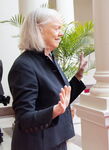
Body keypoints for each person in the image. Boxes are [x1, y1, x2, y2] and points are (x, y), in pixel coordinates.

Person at [8, 8, 87, 150]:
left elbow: (61, 97)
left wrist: (78, 76)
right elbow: (25, 119)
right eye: (57, 28)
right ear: (39, 30)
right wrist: (54, 111)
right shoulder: (24, 66)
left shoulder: (48, 57)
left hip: (54, 141)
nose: (61, 33)